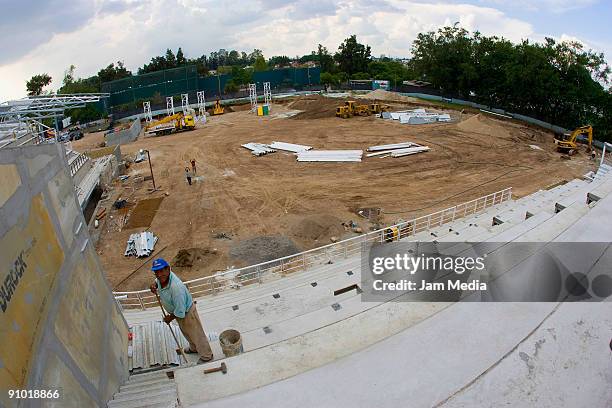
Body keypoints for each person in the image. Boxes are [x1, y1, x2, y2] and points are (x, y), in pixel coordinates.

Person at [150, 258, 213, 363]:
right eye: (156, 272)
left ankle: (206, 356)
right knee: (187, 333)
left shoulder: (176, 288)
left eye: (161, 271)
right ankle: (194, 348)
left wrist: (169, 318)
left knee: (197, 335)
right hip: (178, 313)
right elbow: (157, 281)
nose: (159, 274)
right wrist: (154, 285)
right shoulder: (162, 279)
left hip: (187, 313)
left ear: (168, 269)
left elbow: (180, 311)